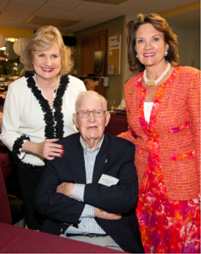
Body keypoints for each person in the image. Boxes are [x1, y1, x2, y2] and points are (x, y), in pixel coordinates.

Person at [118, 13, 200, 253]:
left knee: (182, 245)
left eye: (155, 39)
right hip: (146, 185)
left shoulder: (190, 79)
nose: (148, 46)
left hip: (183, 187)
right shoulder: (131, 87)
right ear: (134, 49)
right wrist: (104, 141)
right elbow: (139, 134)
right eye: (140, 41)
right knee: (152, 244)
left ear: (167, 45)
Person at [34, 91, 144, 253]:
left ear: (106, 118)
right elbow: (42, 200)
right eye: (84, 113)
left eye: (97, 112)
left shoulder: (123, 150)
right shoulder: (59, 150)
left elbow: (126, 199)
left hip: (111, 239)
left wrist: (72, 189)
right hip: (65, 236)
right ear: (75, 120)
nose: (91, 119)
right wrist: (92, 211)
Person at [0, 25, 86, 230]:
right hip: (32, 171)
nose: (48, 62)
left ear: (62, 59)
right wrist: (36, 148)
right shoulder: (17, 89)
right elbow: (7, 133)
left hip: (71, 169)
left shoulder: (77, 86)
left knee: (71, 220)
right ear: (32, 57)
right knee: (37, 222)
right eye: (42, 55)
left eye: (54, 56)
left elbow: (86, 123)